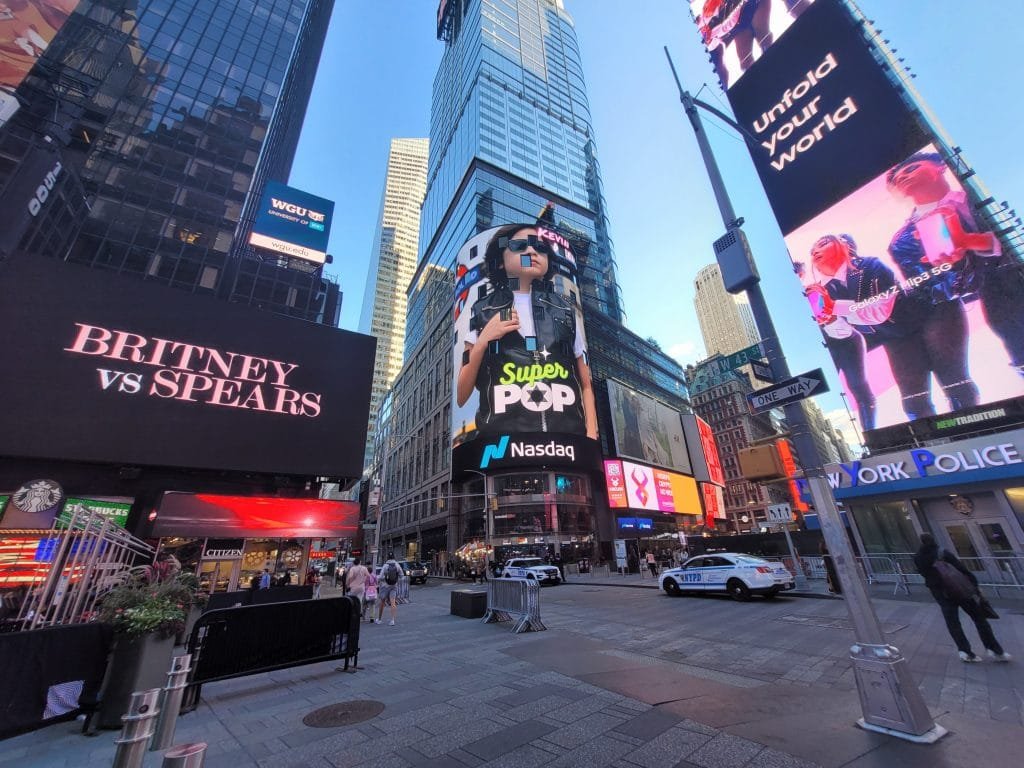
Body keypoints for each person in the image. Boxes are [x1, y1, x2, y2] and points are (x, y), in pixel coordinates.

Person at [887, 151, 1024, 379]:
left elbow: (1011, 235)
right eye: (897, 177)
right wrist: (955, 269)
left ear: (940, 166)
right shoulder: (903, 240)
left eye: (911, 168)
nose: (903, 177)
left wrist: (969, 241)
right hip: (998, 302)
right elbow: (931, 290)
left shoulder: (978, 192)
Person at [456, 224, 598, 440]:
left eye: (540, 248)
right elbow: (461, 394)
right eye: (519, 246)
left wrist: (590, 433)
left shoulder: (565, 311)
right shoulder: (482, 311)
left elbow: (585, 383)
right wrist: (484, 339)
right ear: (501, 261)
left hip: (567, 443)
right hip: (502, 446)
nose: (531, 252)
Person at [913, 533, 1010, 663]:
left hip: (940, 593)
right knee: (979, 618)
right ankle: (994, 649)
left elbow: (923, 573)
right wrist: (975, 587)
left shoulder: (918, 557)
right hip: (959, 590)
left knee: (953, 623)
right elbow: (961, 569)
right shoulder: (942, 552)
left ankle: (964, 651)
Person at [377, 553, 402, 626]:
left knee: (382, 602)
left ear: (387, 558)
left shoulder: (385, 565)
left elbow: (381, 577)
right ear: (394, 557)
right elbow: (401, 575)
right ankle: (392, 620)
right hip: (394, 586)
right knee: (393, 603)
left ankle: (379, 619)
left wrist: (384, 578)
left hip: (385, 586)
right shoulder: (397, 565)